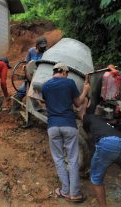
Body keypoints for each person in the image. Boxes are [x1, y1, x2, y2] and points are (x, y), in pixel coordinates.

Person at [78, 103, 121, 207]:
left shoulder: (88, 118)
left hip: (107, 143)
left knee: (96, 179)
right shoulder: (105, 124)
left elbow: (88, 136)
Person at [41, 63, 90, 203]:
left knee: (59, 159)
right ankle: (74, 194)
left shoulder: (45, 86)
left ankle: (64, 191)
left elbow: (47, 103)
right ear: (63, 72)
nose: (67, 76)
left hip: (52, 127)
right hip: (69, 125)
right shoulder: (69, 83)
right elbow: (78, 103)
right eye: (66, 73)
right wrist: (85, 90)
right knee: (73, 159)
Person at [10, 36, 48, 115]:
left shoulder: (46, 53)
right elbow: (26, 62)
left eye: (44, 46)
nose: (43, 48)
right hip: (29, 76)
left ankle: (42, 111)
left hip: (40, 78)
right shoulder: (31, 51)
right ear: (37, 45)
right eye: (41, 47)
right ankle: (14, 110)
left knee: (40, 94)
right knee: (21, 91)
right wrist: (25, 67)